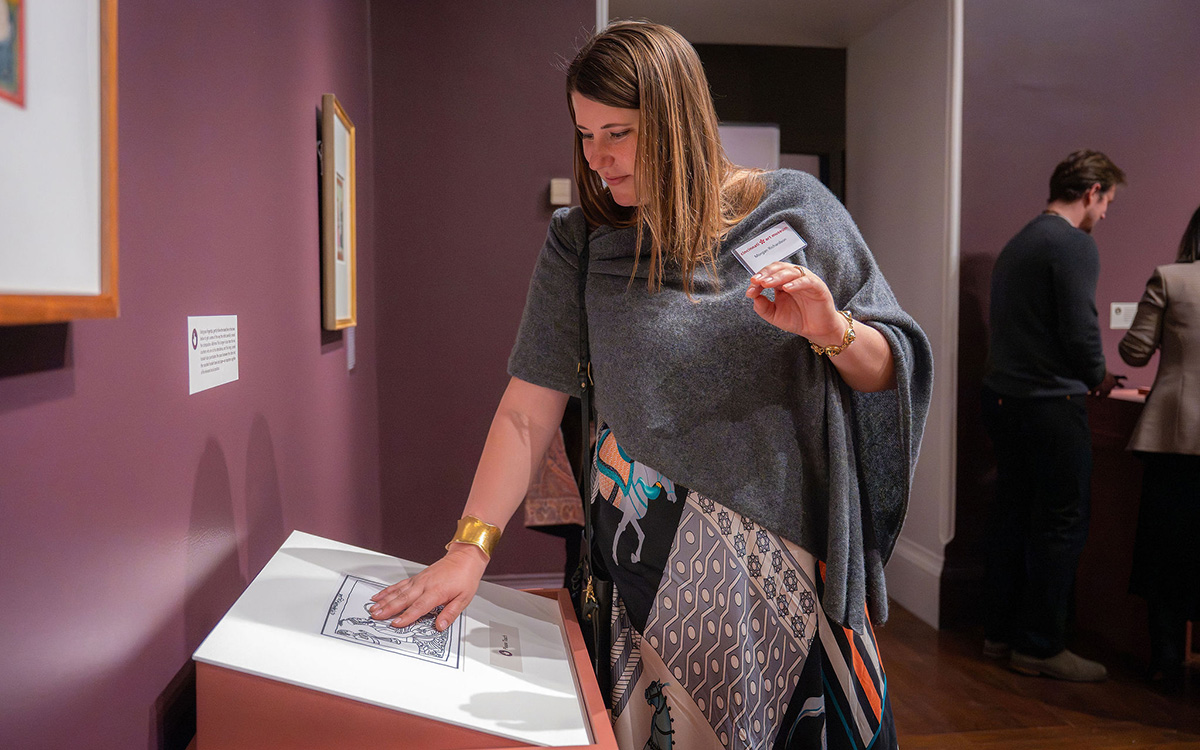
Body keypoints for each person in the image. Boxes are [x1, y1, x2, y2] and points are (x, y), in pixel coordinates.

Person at [368, 21, 932, 749]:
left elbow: (895, 365)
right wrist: (469, 548)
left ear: (676, 121)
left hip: (782, 570)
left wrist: (834, 332)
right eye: (585, 134)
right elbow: (525, 412)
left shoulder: (795, 207)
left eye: (619, 132)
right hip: (645, 575)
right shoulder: (581, 243)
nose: (598, 158)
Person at [981, 149, 1126, 682]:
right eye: (1107, 201)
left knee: (1012, 513)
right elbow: (1080, 327)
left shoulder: (1021, 241)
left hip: (1004, 398)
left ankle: (999, 633)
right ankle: (1040, 645)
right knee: (1062, 522)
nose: (1105, 213)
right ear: (1091, 192)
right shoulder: (1072, 244)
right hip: (1052, 404)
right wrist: (1099, 377)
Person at [1118, 204, 1200, 688]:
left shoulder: (1171, 279)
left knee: (1166, 552)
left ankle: (1166, 661)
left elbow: (1134, 350)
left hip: (1174, 434)